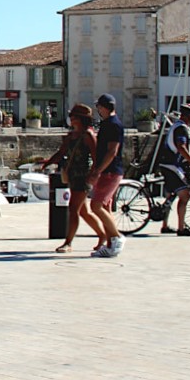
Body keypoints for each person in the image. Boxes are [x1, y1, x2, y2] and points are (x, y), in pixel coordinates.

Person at [36, 102, 106, 254]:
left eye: (73, 116)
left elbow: (96, 158)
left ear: (80, 119)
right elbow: (61, 153)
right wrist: (48, 162)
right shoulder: (71, 136)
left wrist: (93, 175)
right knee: (83, 212)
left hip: (83, 177)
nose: (71, 118)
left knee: (73, 209)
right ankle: (102, 235)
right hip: (73, 175)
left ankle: (68, 243)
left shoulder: (88, 135)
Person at [155, 102, 190, 237]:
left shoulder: (176, 125)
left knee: (170, 195)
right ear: (189, 116)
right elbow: (181, 147)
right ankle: (181, 229)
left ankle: (165, 226)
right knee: (185, 195)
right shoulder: (181, 128)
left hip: (167, 164)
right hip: (172, 166)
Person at [87, 93, 125, 258]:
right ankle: (110, 245)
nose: (98, 110)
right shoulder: (108, 123)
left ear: (104, 107)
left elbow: (112, 151)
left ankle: (117, 238)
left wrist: (98, 171)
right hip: (107, 170)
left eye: (99, 107)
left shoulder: (114, 125)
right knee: (105, 207)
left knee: (96, 206)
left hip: (111, 171)